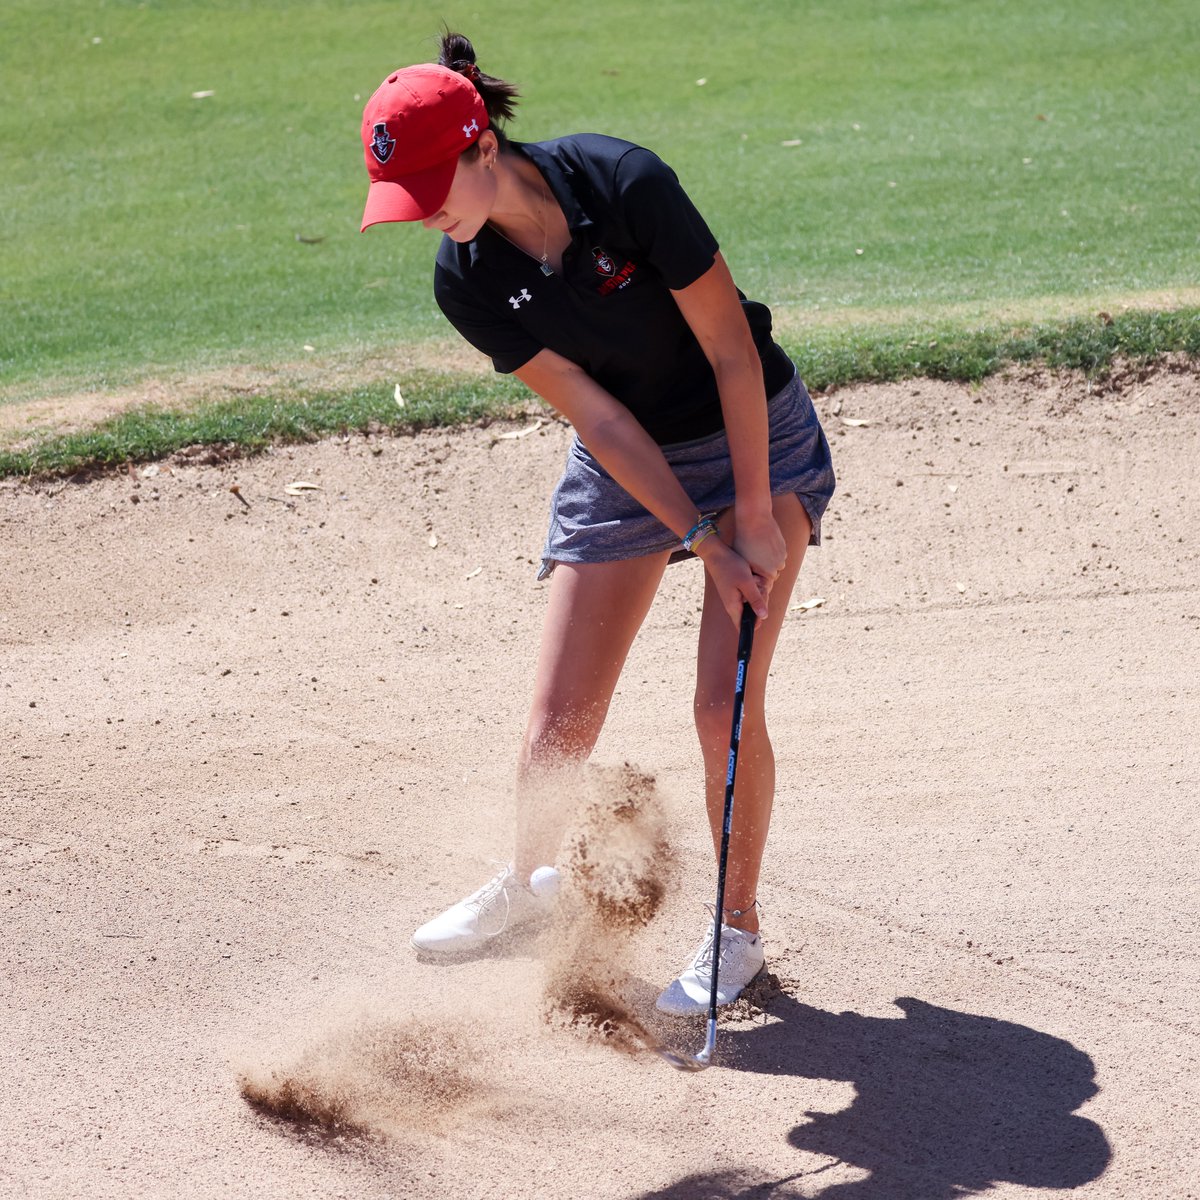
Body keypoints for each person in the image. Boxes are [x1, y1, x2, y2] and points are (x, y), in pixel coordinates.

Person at [359, 32, 835, 1015]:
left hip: (751, 433)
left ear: (482, 144)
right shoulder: (466, 277)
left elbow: (733, 354)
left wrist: (745, 516)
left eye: (430, 188)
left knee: (721, 707)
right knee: (555, 729)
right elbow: (604, 420)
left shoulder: (625, 184)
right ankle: (529, 885)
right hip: (626, 460)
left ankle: (733, 933)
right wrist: (695, 538)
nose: (421, 218)